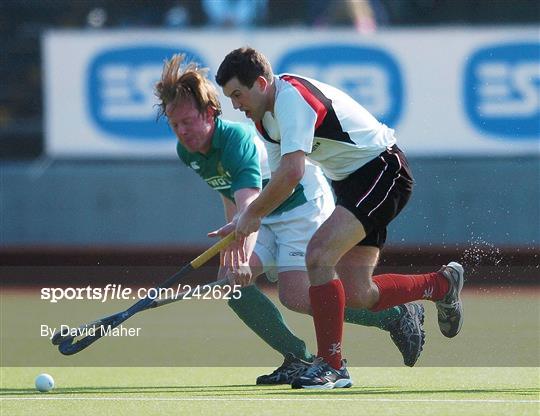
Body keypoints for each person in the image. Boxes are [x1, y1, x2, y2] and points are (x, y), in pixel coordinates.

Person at [155, 54, 426, 385]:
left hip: (299, 206)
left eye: (187, 122)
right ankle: (298, 358)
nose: (182, 132)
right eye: (174, 125)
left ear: (209, 114)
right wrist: (236, 246)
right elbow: (231, 194)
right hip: (270, 210)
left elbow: (258, 192)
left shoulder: (252, 128)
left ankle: (388, 321)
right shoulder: (204, 146)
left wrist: (244, 237)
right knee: (233, 284)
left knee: (297, 296)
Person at [213, 47, 465, 389]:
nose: (235, 105)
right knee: (358, 294)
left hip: (383, 170)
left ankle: (331, 366)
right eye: (230, 98)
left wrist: (252, 215)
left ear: (260, 83)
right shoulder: (263, 120)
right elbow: (280, 182)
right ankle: (441, 285)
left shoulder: (291, 100)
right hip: (349, 184)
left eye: (237, 94)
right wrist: (244, 220)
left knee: (318, 256)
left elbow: (291, 173)